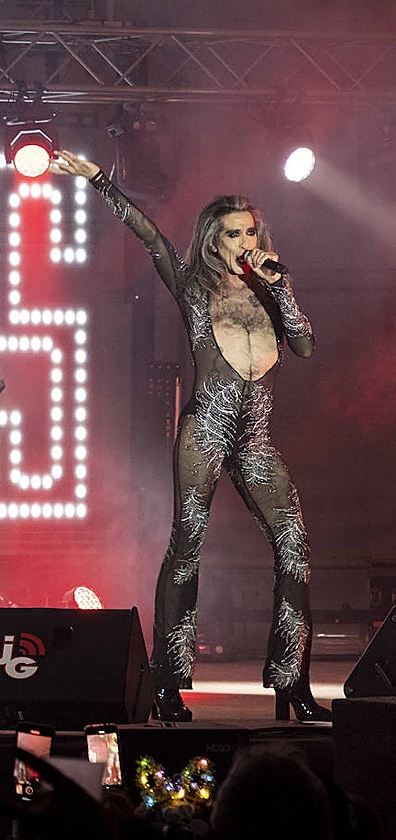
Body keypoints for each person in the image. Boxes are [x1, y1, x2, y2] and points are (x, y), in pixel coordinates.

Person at [51, 149, 331, 723]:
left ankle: (291, 684)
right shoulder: (194, 285)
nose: (244, 241)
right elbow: (150, 235)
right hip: (206, 427)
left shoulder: (267, 292)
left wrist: (283, 288)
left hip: (254, 435)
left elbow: (303, 346)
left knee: (296, 548)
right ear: (213, 240)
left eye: (250, 231)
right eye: (233, 233)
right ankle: (168, 685)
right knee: (187, 547)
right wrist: (101, 180)